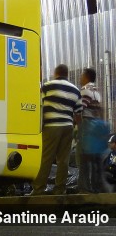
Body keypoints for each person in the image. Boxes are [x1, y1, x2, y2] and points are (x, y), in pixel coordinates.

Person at [30, 64, 82, 195]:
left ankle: (39, 188)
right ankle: (60, 189)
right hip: (68, 127)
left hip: (51, 126)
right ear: (67, 74)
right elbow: (78, 113)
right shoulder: (75, 90)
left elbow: (39, 104)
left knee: (46, 158)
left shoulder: (48, 85)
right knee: (63, 160)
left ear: (56, 73)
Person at [77, 67, 108, 193]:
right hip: (97, 127)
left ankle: (84, 188)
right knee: (96, 159)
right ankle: (97, 188)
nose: (80, 78)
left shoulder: (85, 90)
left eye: (82, 76)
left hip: (87, 126)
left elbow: (80, 110)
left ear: (86, 77)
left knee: (83, 159)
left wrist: (78, 127)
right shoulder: (97, 92)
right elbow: (100, 111)